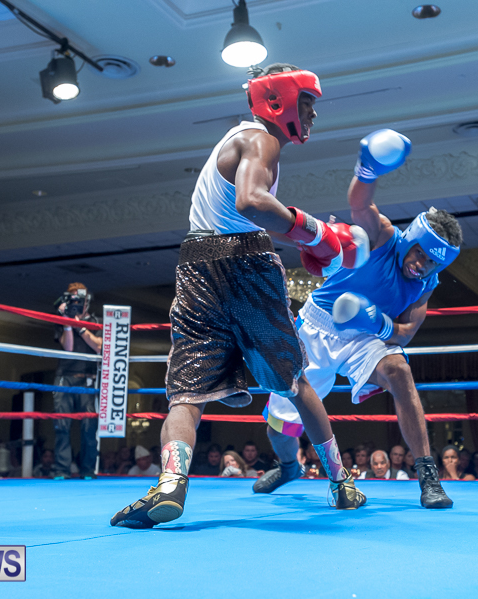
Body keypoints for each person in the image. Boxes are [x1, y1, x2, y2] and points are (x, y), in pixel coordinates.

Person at [111, 64, 367, 529]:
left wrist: (305, 238)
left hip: (196, 267)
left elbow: (243, 210)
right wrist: (317, 231)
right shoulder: (260, 139)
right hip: (246, 264)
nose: (313, 114)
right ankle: (341, 482)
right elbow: (251, 201)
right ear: (279, 100)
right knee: (294, 382)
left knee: (187, 393)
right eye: (307, 103)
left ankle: (170, 484)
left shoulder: (240, 140)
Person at [256, 130, 461, 510]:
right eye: (420, 254)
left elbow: (405, 333)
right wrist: (368, 170)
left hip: (365, 337)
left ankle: (428, 476)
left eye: (432, 262)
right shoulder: (383, 235)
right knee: (281, 427)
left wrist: (376, 322)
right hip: (316, 327)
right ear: (411, 239)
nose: (421, 265)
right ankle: (288, 466)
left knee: (399, 370)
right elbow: (359, 203)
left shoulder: (425, 284)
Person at [52, 282, 102, 478]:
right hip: (65, 376)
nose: (76, 303)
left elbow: (99, 347)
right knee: (61, 425)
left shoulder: (97, 321)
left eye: (78, 299)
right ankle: (61, 469)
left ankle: (88, 470)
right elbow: (69, 348)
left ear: (86, 301)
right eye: (72, 299)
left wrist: (79, 326)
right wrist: (68, 321)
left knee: (89, 427)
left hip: (88, 378)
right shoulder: (61, 320)